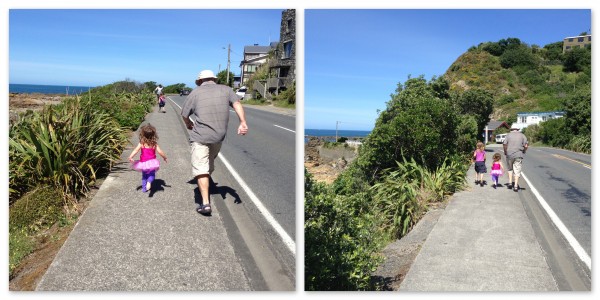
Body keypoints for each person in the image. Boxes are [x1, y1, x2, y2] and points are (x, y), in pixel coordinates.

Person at [181, 70, 248, 215]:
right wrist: (242, 122)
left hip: (200, 136)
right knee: (208, 163)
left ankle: (205, 204)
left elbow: (185, 114)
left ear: (200, 81)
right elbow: (237, 104)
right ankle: (207, 180)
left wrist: (188, 124)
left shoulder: (195, 92)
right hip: (218, 137)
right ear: (214, 79)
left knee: (200, 168)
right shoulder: (227, 90)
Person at [129, 123, 168, 193]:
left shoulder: (142, 143)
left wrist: (131, 156)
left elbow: (136, 150)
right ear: (153, 135)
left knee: (144, 176)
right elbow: (160, 152)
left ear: (143, 134)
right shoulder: (154, 144)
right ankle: (149, 182)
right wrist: (164, 157)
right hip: (152, 163)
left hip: (143, 163)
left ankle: (144, 188)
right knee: (152, 174)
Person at [503, 126, 528, 192]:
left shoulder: (508, 135)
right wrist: (524, 151)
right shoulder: (522, 135)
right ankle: (516, 186)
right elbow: (526, 145)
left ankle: (510, 183)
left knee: (510, 169)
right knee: (517, 170)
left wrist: (505, 152)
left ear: (511, 129)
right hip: (518, 155)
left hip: (509, 154)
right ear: (518, 129)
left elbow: (504, 144)